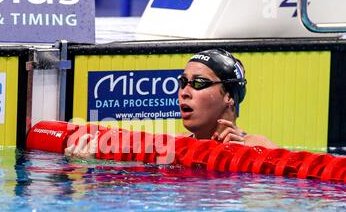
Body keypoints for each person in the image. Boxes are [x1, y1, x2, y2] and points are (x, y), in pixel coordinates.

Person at [65, 48, 277, 158]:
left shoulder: (257, 147)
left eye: (199, 83)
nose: (184, 92)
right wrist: (86, 163)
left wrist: (245, 160)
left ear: (229, 96)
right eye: (183, 82)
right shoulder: (169, 145)